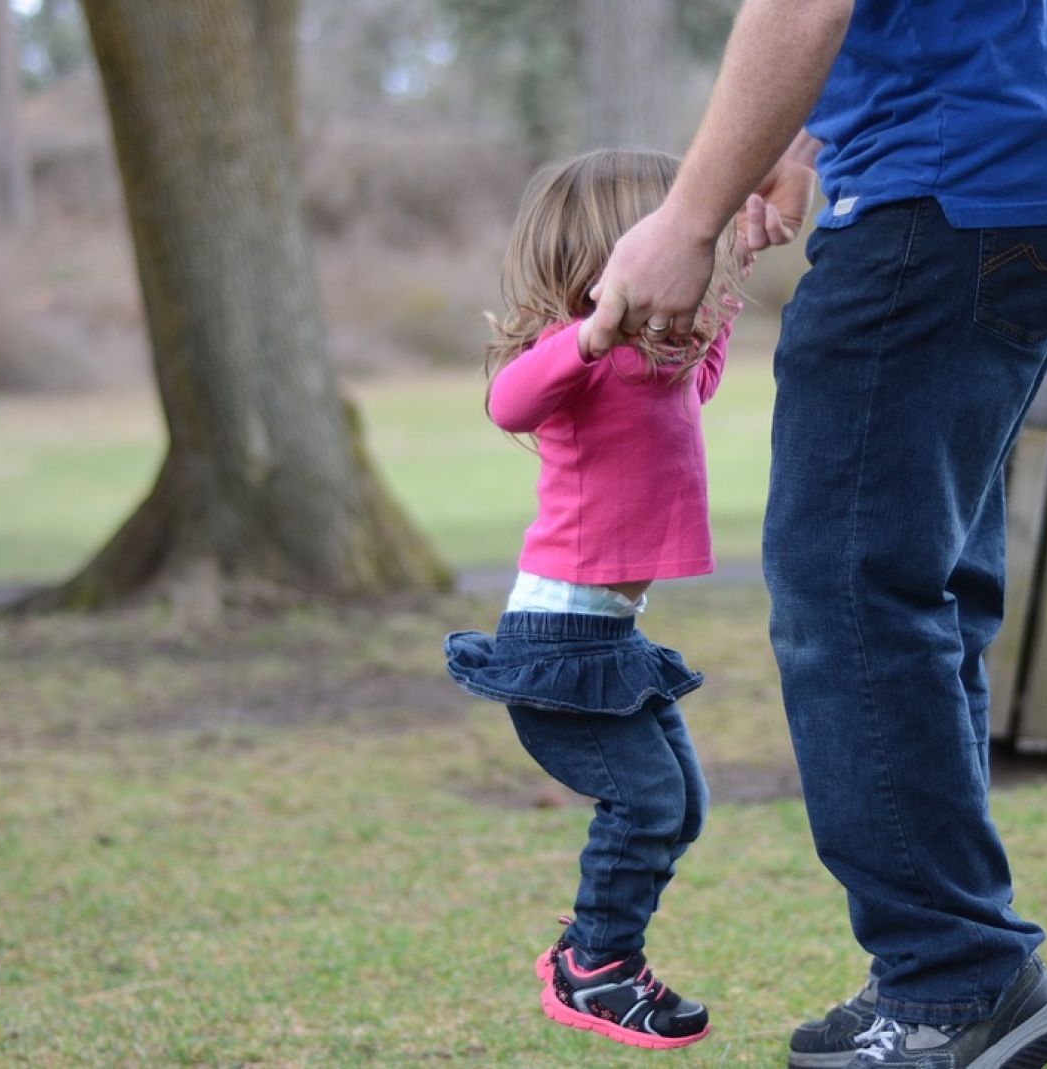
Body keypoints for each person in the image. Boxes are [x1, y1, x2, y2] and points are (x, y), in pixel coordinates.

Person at [582, 3, 1047, 1067]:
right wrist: (795, 142)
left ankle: (954, 978)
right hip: (1014, 163)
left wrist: (688, 219)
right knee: (915, 588)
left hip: (944, 181)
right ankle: (950, 973)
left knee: (847, 589)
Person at [442, 148, 747, 1051]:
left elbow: (701, 378)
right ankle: (599, 967)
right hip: (558, 641)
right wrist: (588, 334)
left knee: (682, 804)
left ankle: (596, 951)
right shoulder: (572, 362)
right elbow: (506, 402)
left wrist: (732, 278)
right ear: (614, 258)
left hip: (608, 639)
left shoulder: (654, 369)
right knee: (649, 805)